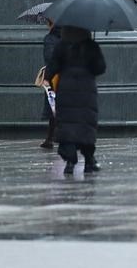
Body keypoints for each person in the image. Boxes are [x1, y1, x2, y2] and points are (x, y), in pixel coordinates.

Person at [47, 25, 107, 176]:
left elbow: (51, 70)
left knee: (67, 125)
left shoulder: (61, 46)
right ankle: (88, 161)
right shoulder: (91, 46)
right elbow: (100, 68)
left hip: (66, 90)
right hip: (86, 91)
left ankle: (69, 162)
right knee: (86, 125)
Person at [39, 21, 62, 150]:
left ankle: (51, 138)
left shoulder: (50, 38)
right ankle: (50, 138)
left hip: (55, 78)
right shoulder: (70, 38)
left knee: (53, 106)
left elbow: (49, 58)